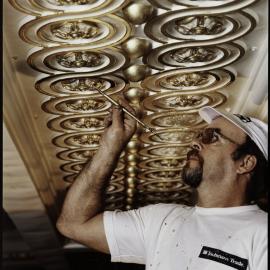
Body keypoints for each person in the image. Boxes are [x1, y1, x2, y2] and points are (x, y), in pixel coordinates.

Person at [56, 97, 268, 270]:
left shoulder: (263, 232)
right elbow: (73, 224)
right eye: (200, 135)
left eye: (212, 137)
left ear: (245, 163)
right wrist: (110, 146)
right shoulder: (163, 220)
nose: (194, 142)